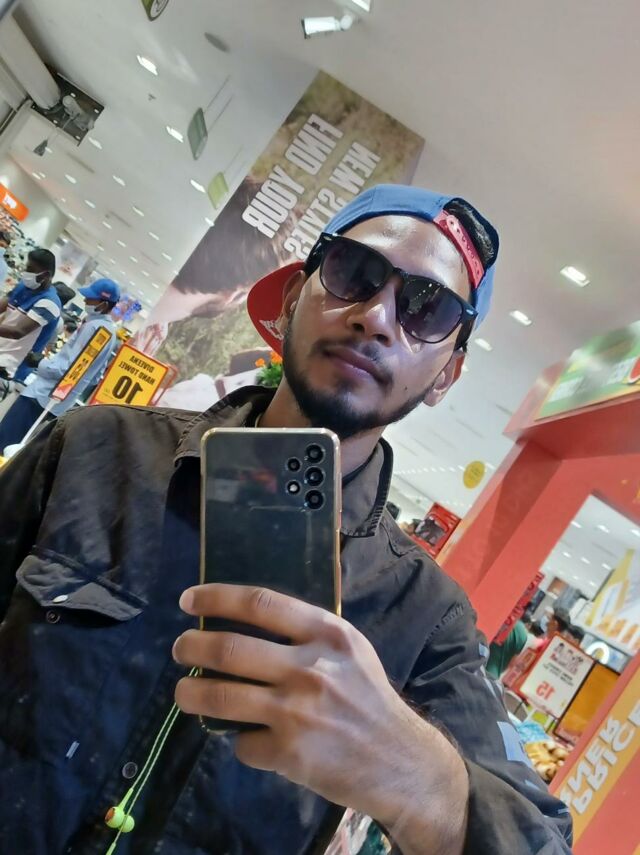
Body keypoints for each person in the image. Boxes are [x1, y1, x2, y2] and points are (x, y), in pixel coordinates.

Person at [0, 185, 572, 854]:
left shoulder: (424, 616)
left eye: (429, 308)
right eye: (355, 272)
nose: (376, 317)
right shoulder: (94, 448)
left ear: (447, 373)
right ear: (294, 295)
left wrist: (421, 779)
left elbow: (542, 839)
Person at [0, 278, 120, 450]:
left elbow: (71, 370)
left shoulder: (95, 328)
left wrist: (40, 362)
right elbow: (94, 377)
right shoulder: (108, 333)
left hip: (42, 396)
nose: (85, 300)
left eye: (91, 298)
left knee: (5, 441)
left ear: (104, 304)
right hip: (55, 402)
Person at [0, 248, 60, 380]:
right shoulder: (24, 286)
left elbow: (18, 332)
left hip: (10, 368)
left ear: (45, 275)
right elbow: (4, 304)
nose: (26, 272)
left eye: (30, 269)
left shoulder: (50, 303)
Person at [12, 281, 77, 386]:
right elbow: (49, 345)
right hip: (24, 361)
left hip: (18, 358)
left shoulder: (46, 310)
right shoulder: (59, 321)